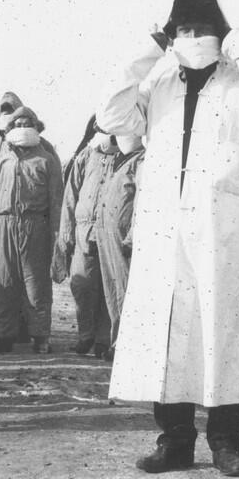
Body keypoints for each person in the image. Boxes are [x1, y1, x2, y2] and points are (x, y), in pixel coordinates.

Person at [97, 0, 239, 477]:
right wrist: (149, 52)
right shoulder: (159, 82)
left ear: (221, 32)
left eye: (205, 30)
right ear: (171, 35)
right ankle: (174, 440)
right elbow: (111, 115)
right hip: (165, 227)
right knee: (169, 333)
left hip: (222, 228)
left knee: (223, 331)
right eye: (184, 30)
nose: (195, 38)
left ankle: (227, 442)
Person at [0, 105, 63, 354]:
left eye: (26, 123)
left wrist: (56, 238)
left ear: (36, 126)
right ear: (10, 128)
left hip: (35, 224)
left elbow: (56, 201)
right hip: (3, 223)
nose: (22, 128)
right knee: (4, 280)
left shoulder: (46, 159)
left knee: (36, 283)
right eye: (17, 124)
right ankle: (4, 335)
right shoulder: (1, 157)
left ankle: (40, 336)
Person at [59, 121, 118, 357]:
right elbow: (71, 195)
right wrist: (66, 232)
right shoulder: (86, 155)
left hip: (109, 232)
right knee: (81, 284)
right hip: (84, 231)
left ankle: (104, 339)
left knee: (108, 288)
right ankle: (86, 336)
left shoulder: (128, 156)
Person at [94, 133, 145, 364]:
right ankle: (117, 342)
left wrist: (132, 237)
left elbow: (142, 202)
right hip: (107, 235)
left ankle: (126, 345)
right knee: (112, 290)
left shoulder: (141, 161)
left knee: (125, 290)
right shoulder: (119, 160)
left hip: (123, 237)